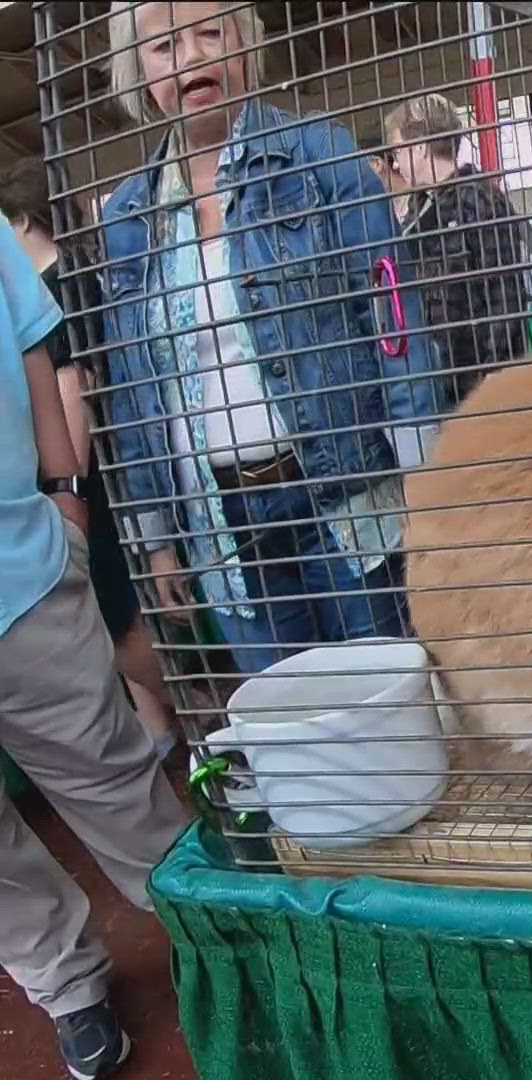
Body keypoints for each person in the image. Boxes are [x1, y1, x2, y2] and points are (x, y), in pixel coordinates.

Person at [97, 1, 445, 676]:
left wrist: (424, 481)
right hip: (221, 521)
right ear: (138, 73)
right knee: (287, 714)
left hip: (344, 493)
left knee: (388, 695)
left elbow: (394, 324)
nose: (192, 57)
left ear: (245, 45)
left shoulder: (319, 156)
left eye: (209, 34)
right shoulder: (126, 218)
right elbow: (133, 391)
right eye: (164, 47)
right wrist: (158, 540)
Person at [1, 215, 190, 1077]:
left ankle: (209, 925)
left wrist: (64, 492)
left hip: (18, 571)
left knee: (112, 773)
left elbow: (37, 345)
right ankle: (64, 984)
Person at [0, 161, 179, 757]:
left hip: (90, 486)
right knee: (113, 620)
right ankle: (168, 727)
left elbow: (74, 387)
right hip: (77, 485)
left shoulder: (59, 283)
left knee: (116, 620)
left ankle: (195, 707)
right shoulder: (61, 279)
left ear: (20, 219)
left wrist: (67, 492)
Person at [383, 93, 530, 401]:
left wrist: (494, 370)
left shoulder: (479, 199)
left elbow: (505, 291)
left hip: (480, 378)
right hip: (440, 375)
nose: (395, 163)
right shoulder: (420, 207)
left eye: (398, 150)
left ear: (420, 147)